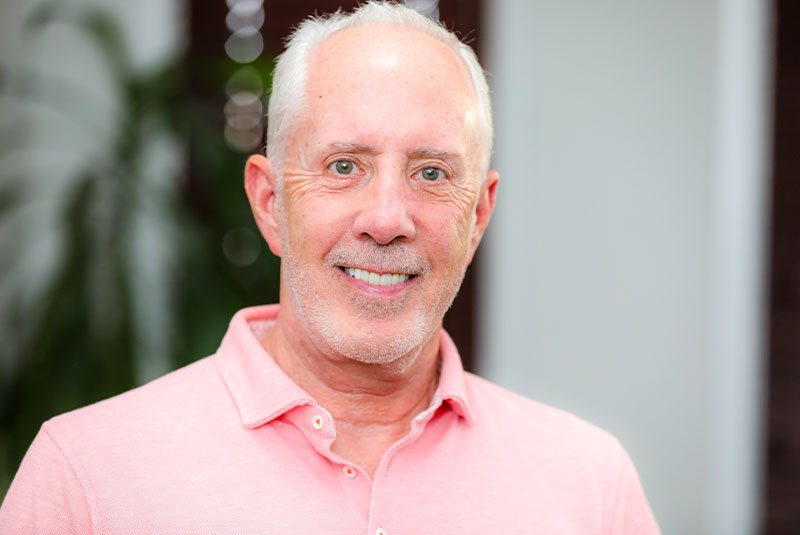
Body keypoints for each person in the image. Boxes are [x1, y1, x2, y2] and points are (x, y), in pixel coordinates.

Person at [0, 2, 660, 533]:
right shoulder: (84, 477)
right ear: (269, 202)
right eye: (344, 166)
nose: (386, 218)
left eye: (431, 173)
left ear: (478, 213)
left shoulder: (590, 485)